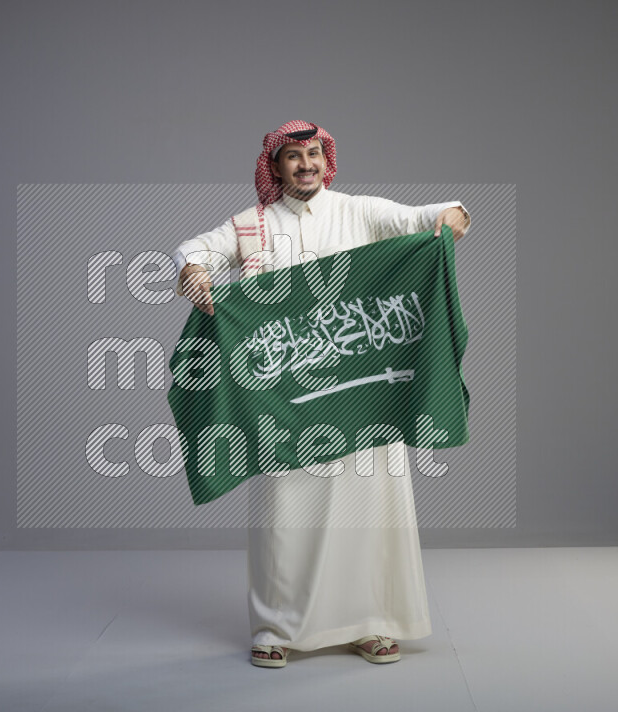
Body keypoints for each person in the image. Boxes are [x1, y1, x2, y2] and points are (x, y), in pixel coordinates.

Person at [171, 120, 471, 667]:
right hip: (287, 398)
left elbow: (428, 216)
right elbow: (195, 249)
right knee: (284, 516)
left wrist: (451, 219)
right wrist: (193, 270)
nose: (305, 164)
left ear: (326, 160)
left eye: (313, 154)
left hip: (363, 392)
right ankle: (275, 629)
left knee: (371, 507)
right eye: (293, 156)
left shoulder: (359, 210)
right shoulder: (250, 225)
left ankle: (372, 622)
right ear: (275, 166)